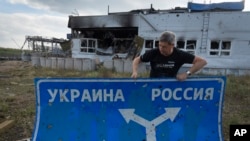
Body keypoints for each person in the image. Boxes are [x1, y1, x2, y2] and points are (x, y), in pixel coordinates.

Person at [131, 31, 207, 81]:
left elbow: (202, 62)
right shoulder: (154, 52)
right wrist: (135, 72)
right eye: (160, 45)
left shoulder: (179, 54)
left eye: (164, 47)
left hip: (171, 87)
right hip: (153, 85)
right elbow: (137, 60)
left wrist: (187, 74)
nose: (161, 49)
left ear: (172, 45)